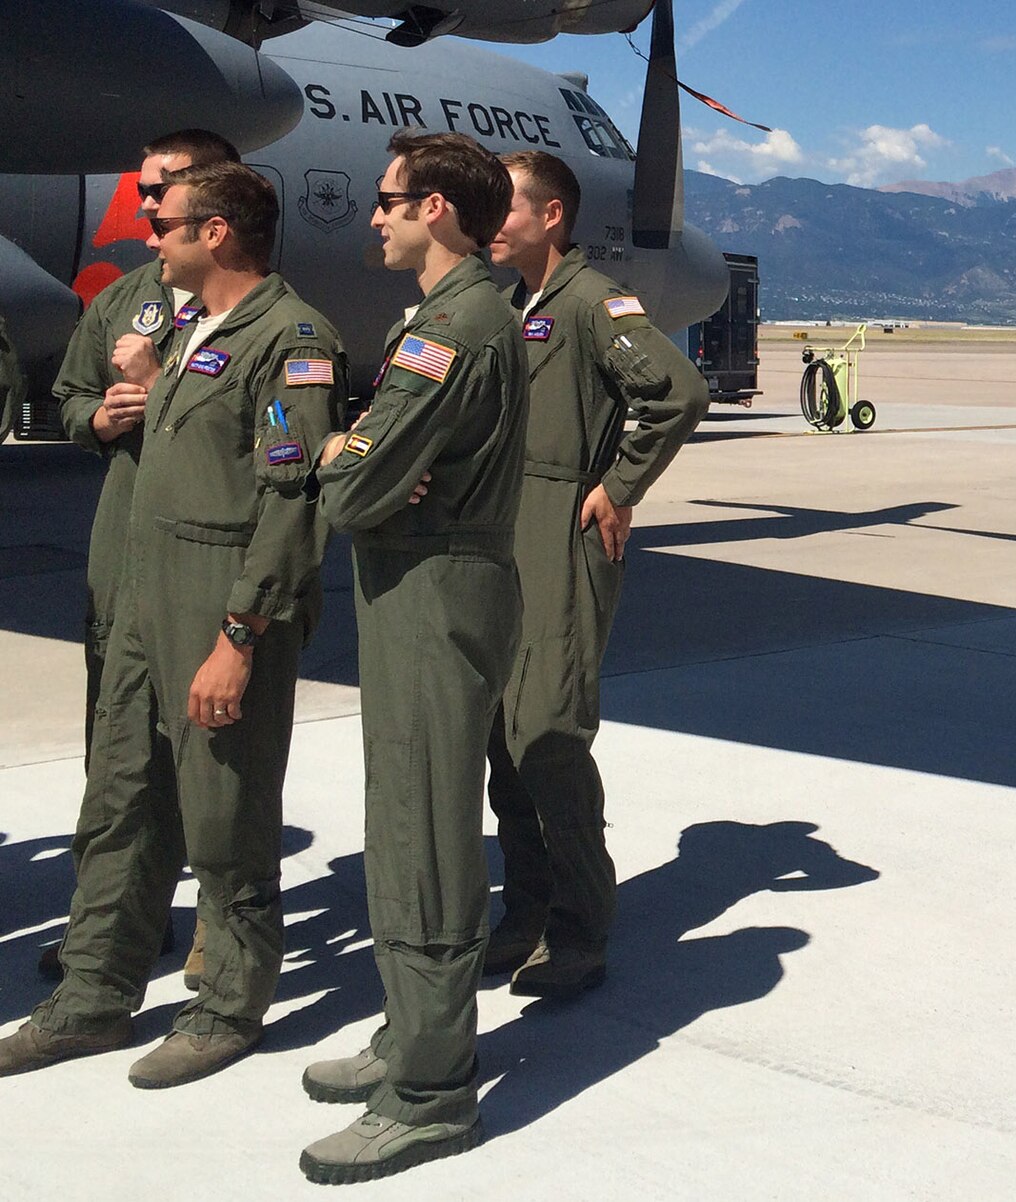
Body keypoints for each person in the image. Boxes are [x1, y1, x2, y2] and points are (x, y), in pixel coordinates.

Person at [0, 161, 343, 1087]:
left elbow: (292, 500)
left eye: (171, 224)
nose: (152, 236)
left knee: (224, 815)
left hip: (218, 602)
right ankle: (91, 1000)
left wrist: (240, 637)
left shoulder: (292, 338)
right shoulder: (193, 334)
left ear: (218, 232)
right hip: (144, 597)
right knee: (118, 800)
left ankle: (228, 1004)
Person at [300, 130, 525, 1185]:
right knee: (399, 810)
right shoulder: (438, 320)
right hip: (413, 587)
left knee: (428, 826)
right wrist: (366, 454)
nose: (377, 217)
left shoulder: (456, 330)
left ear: (437, 210)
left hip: (437, 592)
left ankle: (432, 1090)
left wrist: (355, 456)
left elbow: (346, 488)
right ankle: (411, 1028)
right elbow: (367, 465)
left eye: (391, 201)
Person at [481, 149, 709, 995]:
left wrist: (618, 487)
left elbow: (677, 392)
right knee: (502, 735)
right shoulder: (513, 304)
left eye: (507, 206)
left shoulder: (591, 301)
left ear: (552, 217)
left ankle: (580, 925)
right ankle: (528, 908)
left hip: (560, 537)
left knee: (548, 730)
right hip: (502, 534)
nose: (491, 219)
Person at [43, 129, 241, 988]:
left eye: (160, 190)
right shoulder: (125, 299)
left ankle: (220, 932)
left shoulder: (256, 315)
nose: (145, 205)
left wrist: (159, 388)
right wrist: (98, 418)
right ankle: (117, 923)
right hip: (120, 561)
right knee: (117, 761)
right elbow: (67, 399)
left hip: (202, 575)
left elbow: (258, 449)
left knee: (210, 767)